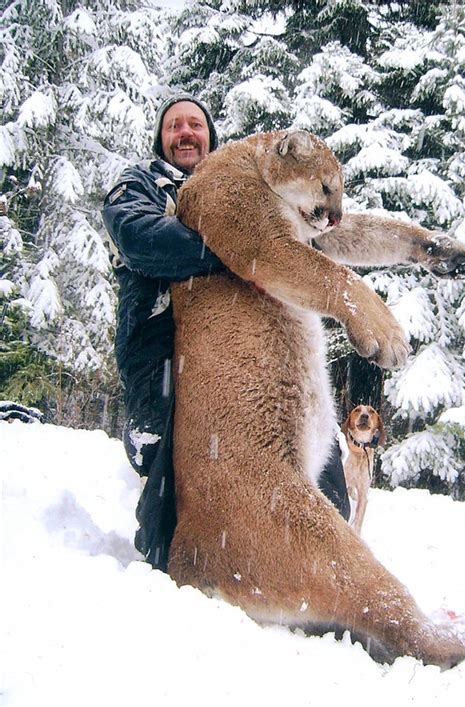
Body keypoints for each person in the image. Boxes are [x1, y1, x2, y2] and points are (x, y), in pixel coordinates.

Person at [102, 94, 349, 571]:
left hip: (246, 340)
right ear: (161, 139)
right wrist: (244, 250)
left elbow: (320, 237)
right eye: (175, 126)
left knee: (313, 435)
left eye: (196, 124)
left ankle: (329, 562)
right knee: (169, 454)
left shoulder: (248, 188)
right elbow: (138, 237)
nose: (186, 132)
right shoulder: (142, 184)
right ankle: (168, 560)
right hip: (162, 344)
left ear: (211, 137)